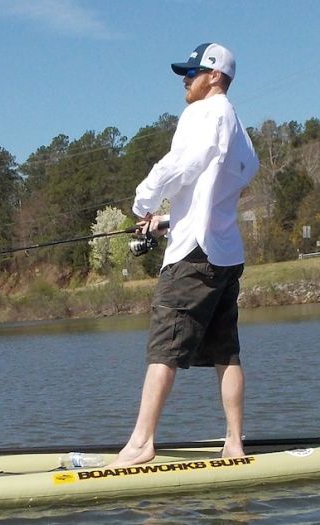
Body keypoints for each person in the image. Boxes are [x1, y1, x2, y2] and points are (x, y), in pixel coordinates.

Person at [111, 43, 259, 467]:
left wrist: (144, 203)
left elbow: (183, 163)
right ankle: (234, 442)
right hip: (224, 256)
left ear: (215, 76)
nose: (185, 79)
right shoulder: (236, 125)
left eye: (192, 73)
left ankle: (141, 444)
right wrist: (168, 221)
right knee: (226, 352)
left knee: (164, 349)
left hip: (192, 258)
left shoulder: (203, 113)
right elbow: (226, 180)